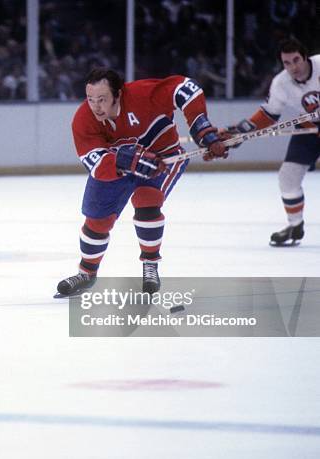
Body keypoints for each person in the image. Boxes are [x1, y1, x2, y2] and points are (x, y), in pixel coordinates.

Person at [55, 67, 228, 298]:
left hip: (162, 158)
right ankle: (86, 274)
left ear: (119, 94)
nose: (95, 106)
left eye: (102, 99)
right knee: (97, 221)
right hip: (116, 168)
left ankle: (150, 266)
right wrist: (128, 161)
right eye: (90, 99)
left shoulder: (143, 95)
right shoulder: (83, 120)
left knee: (147, 203)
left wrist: (201, 126)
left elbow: (186, 88)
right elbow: (95, 163)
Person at [222, 38, 319, 246]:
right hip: (309, 131)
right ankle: (295, 226)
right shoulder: (281, 83)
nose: (293, 67)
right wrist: (243, 131)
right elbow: (268, 114)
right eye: (287, 63)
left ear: (305, 57)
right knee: (288, 177)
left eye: (296, 60)